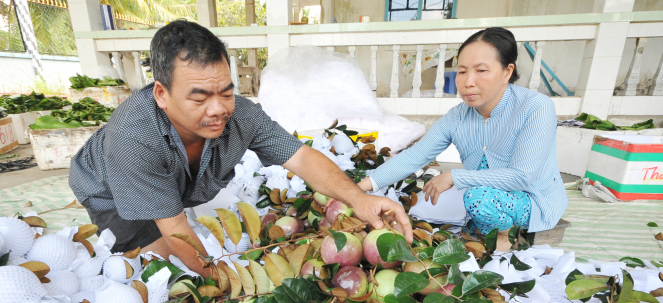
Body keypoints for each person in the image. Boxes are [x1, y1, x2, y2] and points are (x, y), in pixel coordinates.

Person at [69, 20, 411, 278]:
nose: (218, 108)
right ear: (161, 94)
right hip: (107, 189)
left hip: (169, 184)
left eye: (226, 92)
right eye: (200, 97)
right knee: (159, 273)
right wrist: (227, 283)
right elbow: (175, 231)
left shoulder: (241, 116)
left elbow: (302, 157)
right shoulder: (133, 139)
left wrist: (358, 198)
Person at [358, 27, 567, 251]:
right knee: (441, 202)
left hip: (532, 199)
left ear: (507, 72)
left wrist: (454, 177)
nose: (468, 82)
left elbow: (521, 177)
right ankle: (484, 225)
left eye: (481, 71)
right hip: (484, 196)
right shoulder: (458, 116)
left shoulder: (535, 107)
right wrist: (358, 190)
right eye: (462, 71)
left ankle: (505, 237)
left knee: (479, 199)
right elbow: (415, 156)